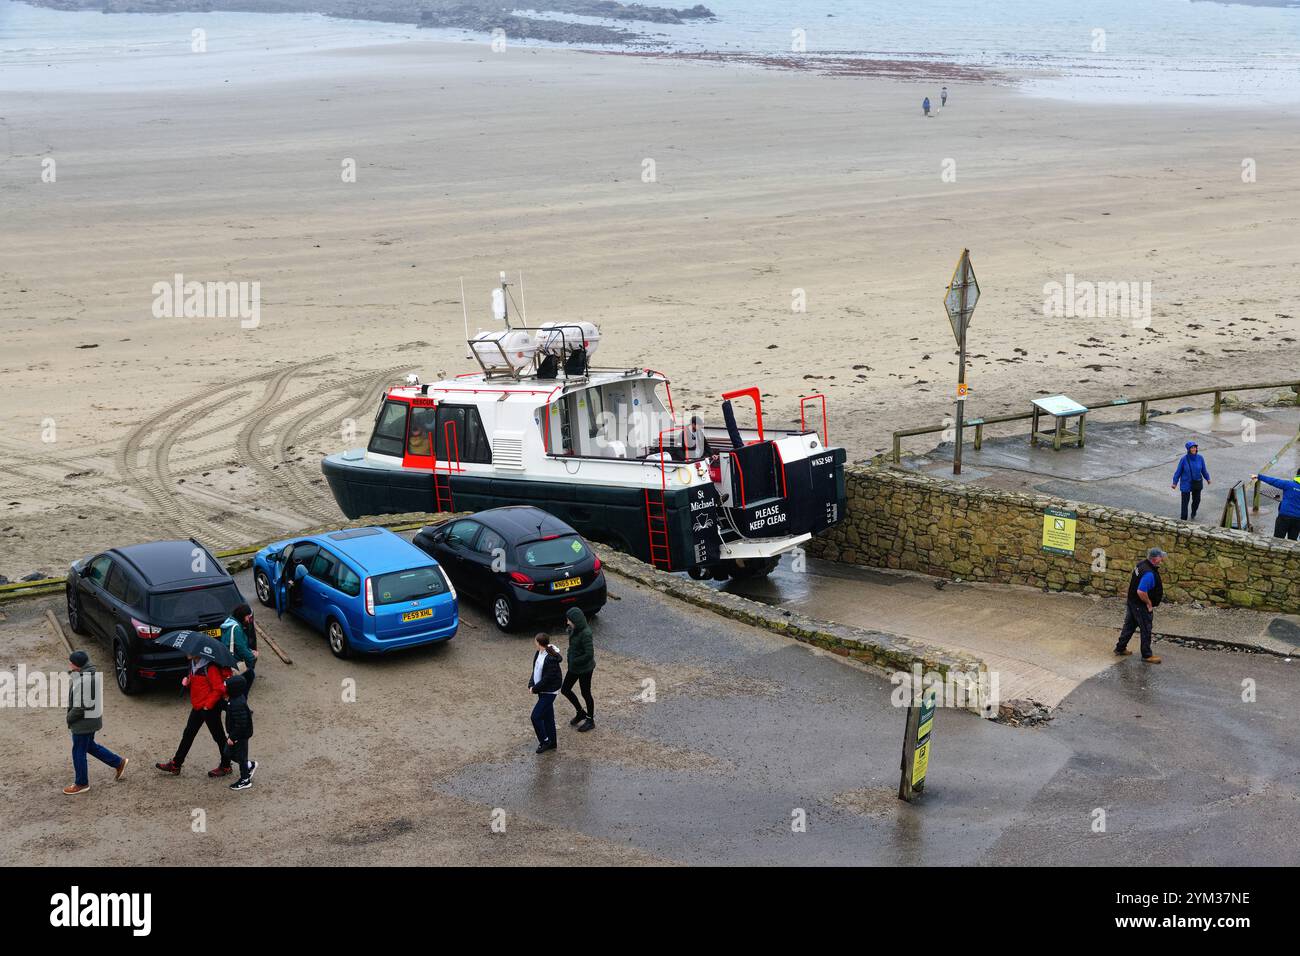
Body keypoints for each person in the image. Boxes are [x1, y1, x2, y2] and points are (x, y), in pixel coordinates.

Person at [155, 653, 233, 777]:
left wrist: (208, 704)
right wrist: (189, 681)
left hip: (209, 708)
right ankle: (176, 764)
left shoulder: (210, 668)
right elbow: (200, 684)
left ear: (198, 651)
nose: (186, 652)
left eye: (189, 650)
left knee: (219, 737)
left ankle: (226, 766)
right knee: (188, 734)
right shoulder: (193, 664)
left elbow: (219, 689)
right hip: (198, 706)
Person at [63, 651, 127, 795]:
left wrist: (69, 717)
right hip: (90, 720)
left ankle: (81, 783)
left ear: (78, 665)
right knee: (89, 746)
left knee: (78, 751)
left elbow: (80, 706)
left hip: (83, 723)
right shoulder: (87, 674)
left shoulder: (85, 680)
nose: (70, 665)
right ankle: (118, 762)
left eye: (72, 663)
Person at [1115, 547, 1166, 663]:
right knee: (1146, 629)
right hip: (1141, 605)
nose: (1162, 558)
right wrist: (1148, 603)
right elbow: (1141, 591)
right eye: (1160, 557)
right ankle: (1147, 655)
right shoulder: (1149, 573)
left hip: (1132, 602)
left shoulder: (1141, 564)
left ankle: (1120, 648)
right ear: (1154, 559)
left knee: (1129, 626)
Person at [560, 608, 596, 733]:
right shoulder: (574, 629)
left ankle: (590, 720)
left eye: (569, 620)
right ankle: (580, 712)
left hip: (585, 669)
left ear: (576, 620)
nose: (567, 622)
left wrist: (575, 661)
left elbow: (589, 654)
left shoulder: (586, 633)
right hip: (574, 668)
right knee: (565, 689)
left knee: (586, 693)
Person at [528, 634, 563, 754]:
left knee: (535, 716)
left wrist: (535, 689)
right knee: (548, 717)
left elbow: (547, 679)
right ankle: (552, 742)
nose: (534, 644)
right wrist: (531, 684)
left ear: (539, 643)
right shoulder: (539, 652)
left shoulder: (550, 658)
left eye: (535, 642)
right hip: (542, 690)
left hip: (549, 692)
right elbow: (535, 669)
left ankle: (545, 741)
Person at [222, 674, 257, 791]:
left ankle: (245, 780)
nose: (224, 688)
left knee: (241, 757)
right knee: (228, 753)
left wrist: (232, 737)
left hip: (240, 735)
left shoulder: (237, 704)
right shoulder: (234, 699)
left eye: (227, 686)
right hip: (236, 734)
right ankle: (249, 765)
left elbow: (241, 723)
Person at [1252, 468, 1300, 540]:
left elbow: (1273, 481)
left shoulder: (1288, 484)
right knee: (1292, 542)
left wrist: (1259, 476)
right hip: (1298, 520)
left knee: (1277, 540)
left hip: (1284, 517)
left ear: (1297, 475)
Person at [221, 603, 258, 694]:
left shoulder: (228, 623)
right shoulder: (237, 628)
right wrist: (252, 657)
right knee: (248, 679)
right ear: (243, 616)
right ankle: (242, 706)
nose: (249, 620)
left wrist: (249, 651)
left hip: (228, 661)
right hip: (236, 664)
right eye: (248, 617)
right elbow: (241, 649)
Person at [1171, 440, 1211, 520]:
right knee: (1185, 503)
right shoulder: (1183, 459)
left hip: (1196, 482)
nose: (1193, 449)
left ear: (1196, 448)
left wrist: (1207, 478)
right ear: (1188, 449)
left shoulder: (1200, 458)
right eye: (1191, 448)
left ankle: (1193, 512)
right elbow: (1178, 472)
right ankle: (1183, 519)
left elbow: (1203, 470)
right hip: (1186, 483)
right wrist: (1174, 482)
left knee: (1197, 500)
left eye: (1194, 447)